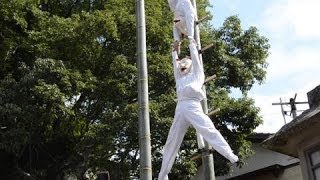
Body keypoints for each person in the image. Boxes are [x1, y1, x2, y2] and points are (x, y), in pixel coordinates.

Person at [158, 40, 238, 180]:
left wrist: (192, 45)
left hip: (192, 105)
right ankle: (163, 175)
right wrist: (175, 50)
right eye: (181, 65)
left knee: (208, 129)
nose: (181, 66)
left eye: (184, 64)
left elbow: (195, 61)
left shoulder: (197, 75)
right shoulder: (179, 78)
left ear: (190, 67)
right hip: (180, 107)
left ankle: (229, 154)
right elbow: (175, 64)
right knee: (172, 140)